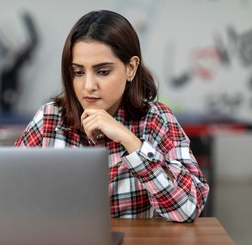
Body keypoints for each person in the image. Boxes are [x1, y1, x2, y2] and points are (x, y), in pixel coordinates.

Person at [14, 10, 209, 222]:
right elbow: (8, 193)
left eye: (103, 72)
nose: (88, 86)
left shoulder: (155, 119)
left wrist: (129, 141)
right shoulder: (49, 119)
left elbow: (188, 209)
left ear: (131, 68)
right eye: (78, 72)